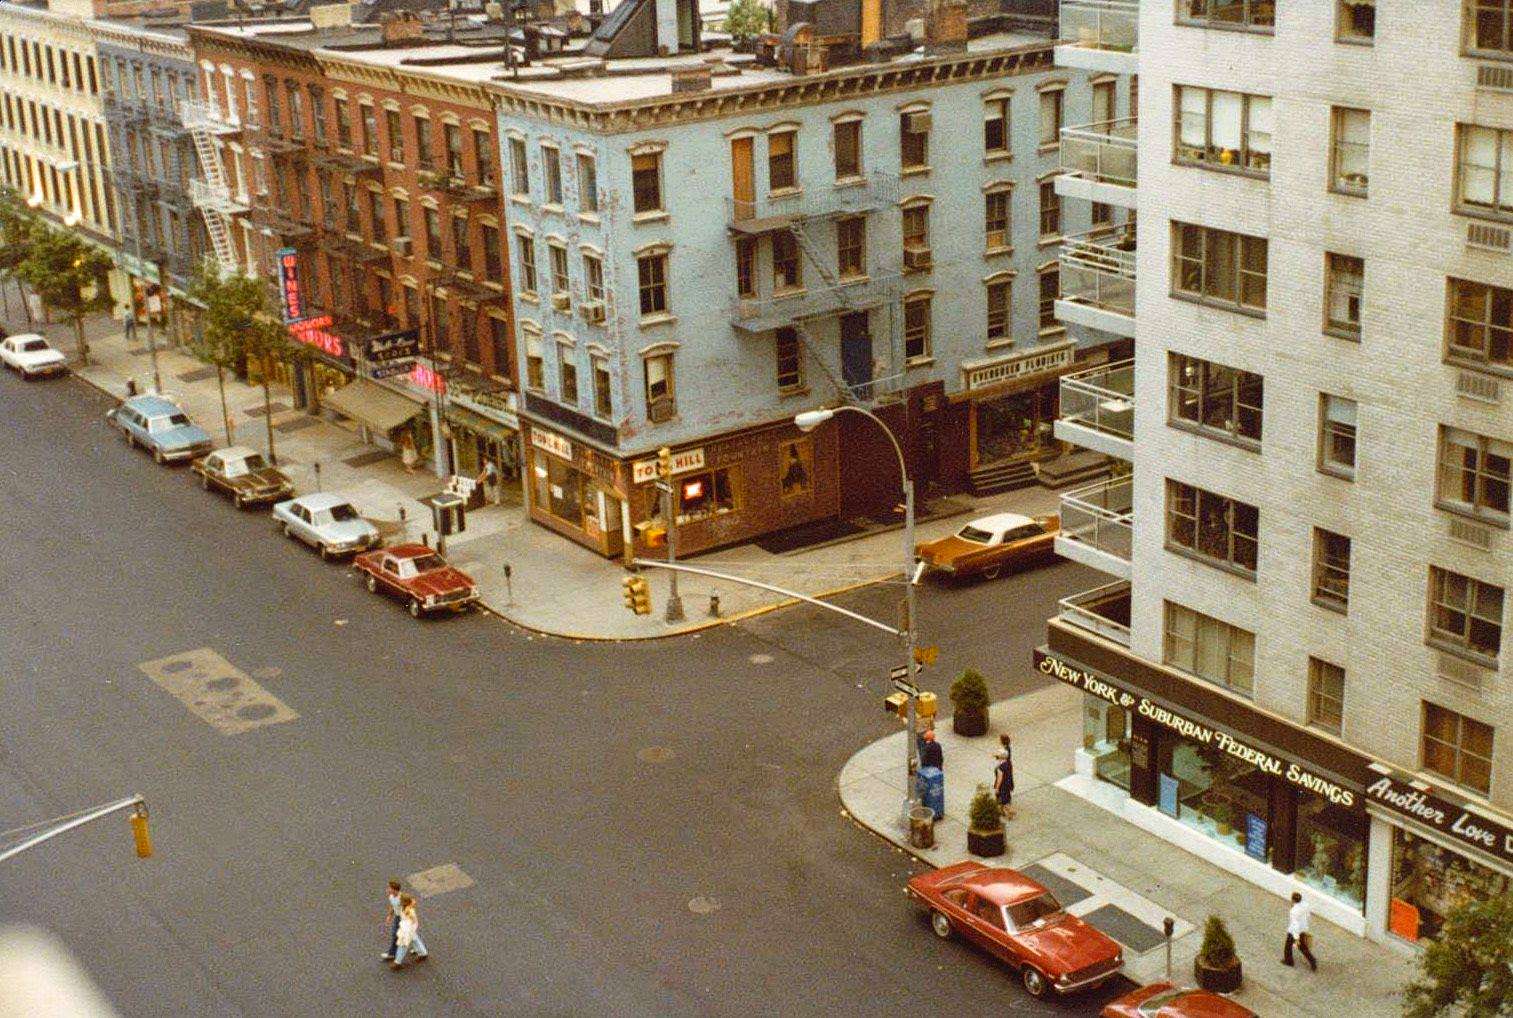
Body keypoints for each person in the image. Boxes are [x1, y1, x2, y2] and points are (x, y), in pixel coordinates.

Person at [390, 893, 429, 970]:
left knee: (403, 944)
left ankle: (398, 962)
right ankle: (423, 953)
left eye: (400, 900)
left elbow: (413, 920)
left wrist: (408, 914)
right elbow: (413, 902)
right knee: (415, 940)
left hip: (407, 929)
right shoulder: (407, 907)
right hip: (408, 928)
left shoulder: (408, 911)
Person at [1283, 891, 1317, 971]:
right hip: (1303, 928)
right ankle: (1312, 960)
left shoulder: (1293, 911)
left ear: (1293, 900)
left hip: (1295, 931)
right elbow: (1308, 916)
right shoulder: (1305, 905)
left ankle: (1289, 961)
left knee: (1288, 946)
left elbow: (1294, 924)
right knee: (1302, 947)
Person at [380, 880, 402, 961]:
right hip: (397, 917)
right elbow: (393, 906)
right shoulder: (391, 897)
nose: (388, 889)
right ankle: (420, 950)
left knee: (396, 934)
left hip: (404, 918)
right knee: (398, 934)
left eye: (389, 888)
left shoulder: (402, 898)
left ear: (394, 889)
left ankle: (392, 953)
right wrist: (390, 915)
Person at [994, 735, 1015, 818]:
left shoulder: (1001, 767)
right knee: (1004, 800)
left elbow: (999, 778)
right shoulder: (1008, 765)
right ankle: (1004, 811)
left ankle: (1009, 812)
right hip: (1007, 783)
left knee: (1003, 800)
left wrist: (997, 788)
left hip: (1003, 785)